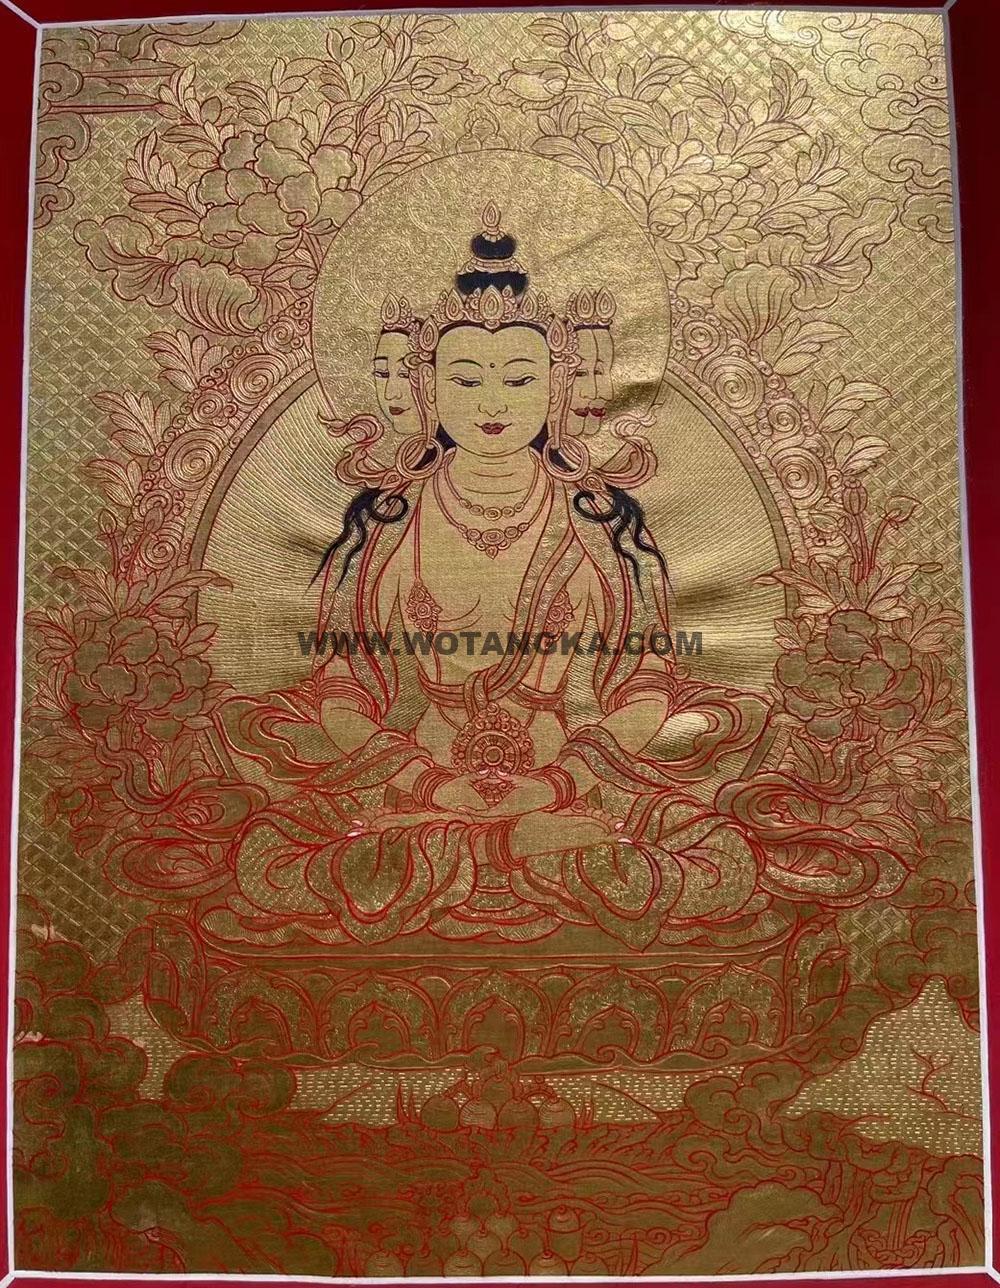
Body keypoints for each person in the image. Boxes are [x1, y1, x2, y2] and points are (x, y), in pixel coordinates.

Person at [210, 205, 768, 949]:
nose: (494, 404)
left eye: (519, 378)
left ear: (559, 388)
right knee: (280, 847)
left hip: (570, 782)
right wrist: (429, 782)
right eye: (467, 379)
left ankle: (498, 847)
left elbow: (645, 686)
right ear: (428, 389)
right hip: (417, 785)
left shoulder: (601, 525)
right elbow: (340, 690)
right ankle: (502, 848)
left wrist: (558, 783)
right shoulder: (387, 523)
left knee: (709, 847)